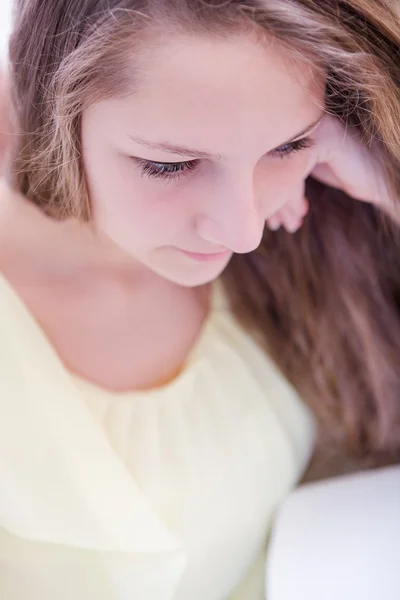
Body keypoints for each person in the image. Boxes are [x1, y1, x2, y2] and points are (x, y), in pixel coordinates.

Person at [0, 1, 398, 599]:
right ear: (53, 106)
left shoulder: (323, 221)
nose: (244, 232)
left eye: (288, 145)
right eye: (170, 165)